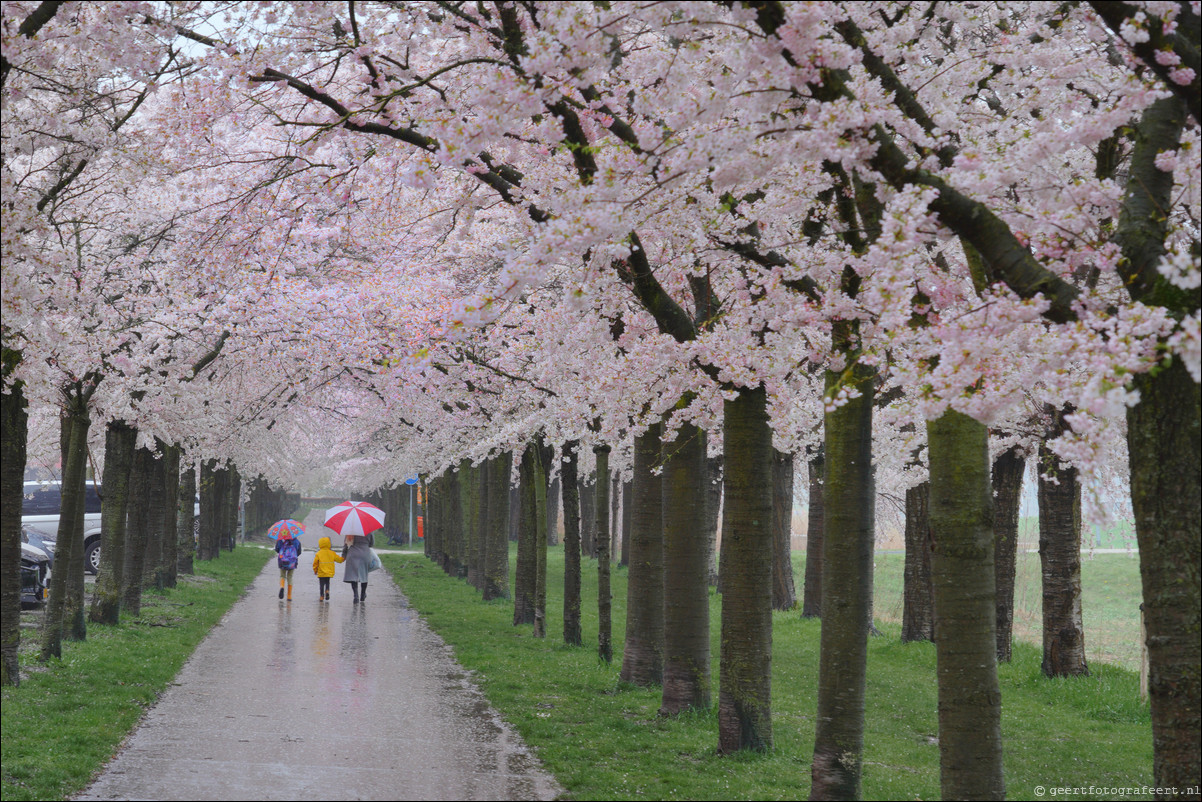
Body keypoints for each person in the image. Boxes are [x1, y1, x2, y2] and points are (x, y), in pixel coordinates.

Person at [342, 532, 374, 603]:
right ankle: (363, 594)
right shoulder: (369, 530)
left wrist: (344, 555)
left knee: (353, 575)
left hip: (353, 554)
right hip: (365, 554)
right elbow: (371, 544)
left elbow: (346, 544)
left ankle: (356, 595)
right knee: (364, 575)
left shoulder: (351, 531)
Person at [312, 536, 344, 602]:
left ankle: (321, 596)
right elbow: (339, 560)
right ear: (329, 544)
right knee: (327, 582)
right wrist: (344, 557)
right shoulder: (332, 553)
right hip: (329, 571)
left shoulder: (318, 553)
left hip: (321, 572)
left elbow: (315, 563)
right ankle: (327, 590)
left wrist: (315, 570)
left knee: (321, 584)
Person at [275, 530, 302, 601]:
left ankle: (282, 587)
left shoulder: (281, 540)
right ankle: (289, 596)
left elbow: (277, 549)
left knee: (282, 576)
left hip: (283, 561)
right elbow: (299, 552)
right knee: (290, 577)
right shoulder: (296, 541)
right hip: (292, 562)